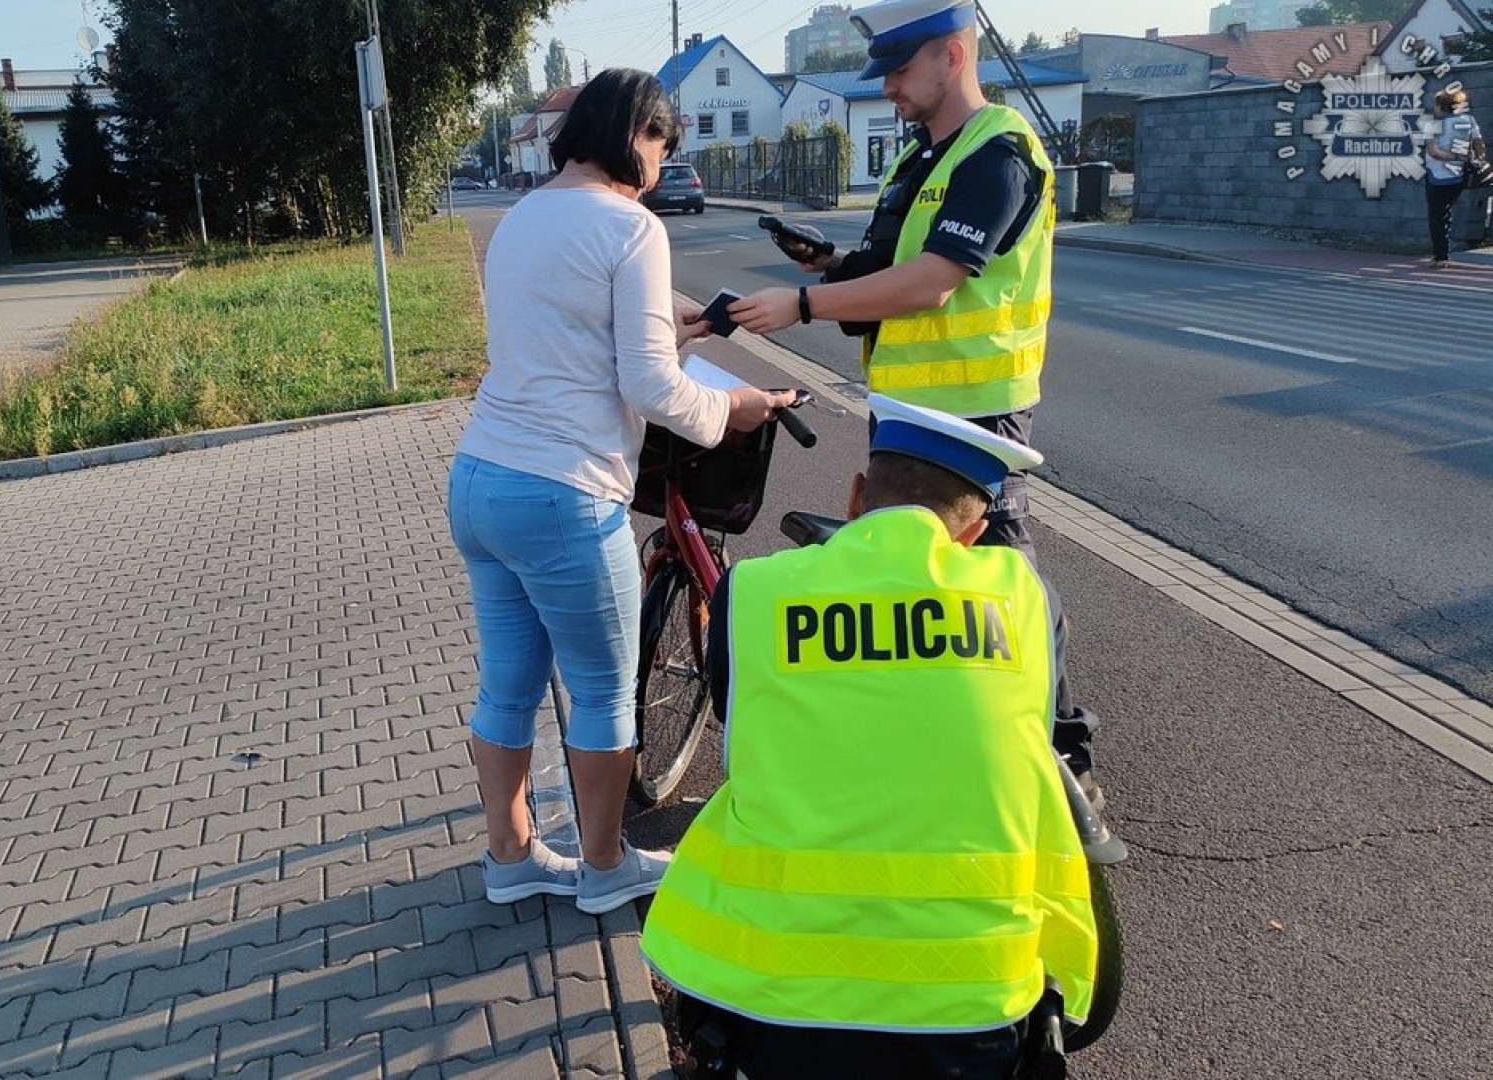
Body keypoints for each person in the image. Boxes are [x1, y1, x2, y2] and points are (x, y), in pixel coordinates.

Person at [639, 394, 1100, 1079]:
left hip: (778, 994)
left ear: (855, 498)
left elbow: (740, 716)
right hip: (975, 1001)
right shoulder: (1026, 599)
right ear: (972, 537)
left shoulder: (755, 592)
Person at [729, 0, 1100, 800]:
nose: (888, 86)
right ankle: (940, 727)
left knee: (1006, 572)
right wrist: (829, 262)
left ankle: (1063, 751)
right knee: (916, 572)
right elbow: (883, 269)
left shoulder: (997, 154)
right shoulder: (920, 159)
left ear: (953, 54)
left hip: (977, 413)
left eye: (899, 68)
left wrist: (799, 304)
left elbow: (932, 283)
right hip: (904, 408)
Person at [447, 68, 795, 916]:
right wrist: (735, 408)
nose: (660, 165)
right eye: (661, 145)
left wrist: (673, 327)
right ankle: (603, 871)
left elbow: (558, 336)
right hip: (563, 495)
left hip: (481, 479)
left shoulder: (522, 215)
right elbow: (650, 387)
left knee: (507, 688)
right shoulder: (630, 228)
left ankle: (512, 855)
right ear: (635, 132)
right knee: (602, 693)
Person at [1423, 86, 1484, 269]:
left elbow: (1434, 152)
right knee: (1447, 213)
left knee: (1437, 216)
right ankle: (1443, 254)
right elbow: (1479, 145)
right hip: (1459, 176)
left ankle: (1440, 257)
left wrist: (1454, 156)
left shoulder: (1432, 125)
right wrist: (1474, 158)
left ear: (1441, 106)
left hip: (1437, 176)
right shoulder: (1469, 120)